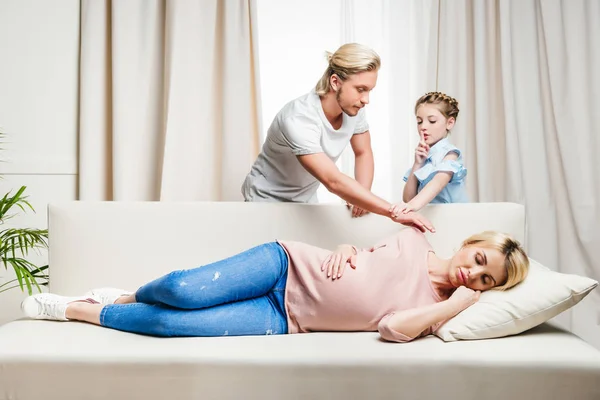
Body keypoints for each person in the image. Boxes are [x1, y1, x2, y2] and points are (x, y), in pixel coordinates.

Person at [22, 215, 529, 343]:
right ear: (472, 242)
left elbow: (391, 329)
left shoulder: (435, 313)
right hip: (286, 263)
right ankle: (125, 294)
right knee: (180, 292)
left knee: (170, 326)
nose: (475, 272)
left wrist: (458, 303)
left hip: (284, 318)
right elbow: (365, 255)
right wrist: (344, 247)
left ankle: (73, 308)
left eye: (486, 280)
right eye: (481, 258)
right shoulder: (416, 240)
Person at [242, 43, 397, 219]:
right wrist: (392, 212)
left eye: (369, 91)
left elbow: (363, 152)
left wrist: (362, 196)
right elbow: (333, 180)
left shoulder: (354, 108)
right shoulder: (299, 118)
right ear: (335, 82)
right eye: (361, 89)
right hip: (266, 198)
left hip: (306, 200)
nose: (366, 100)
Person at [400, 92, 469, 214]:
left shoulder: (451, 154)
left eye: (432, 121)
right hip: (431, 217)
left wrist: (412, 205)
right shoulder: (424, 156)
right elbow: (408, 199)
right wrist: (417, 164)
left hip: (454, 217)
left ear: (449, 123)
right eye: (419, 121)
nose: (423, 127)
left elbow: (437, 182)